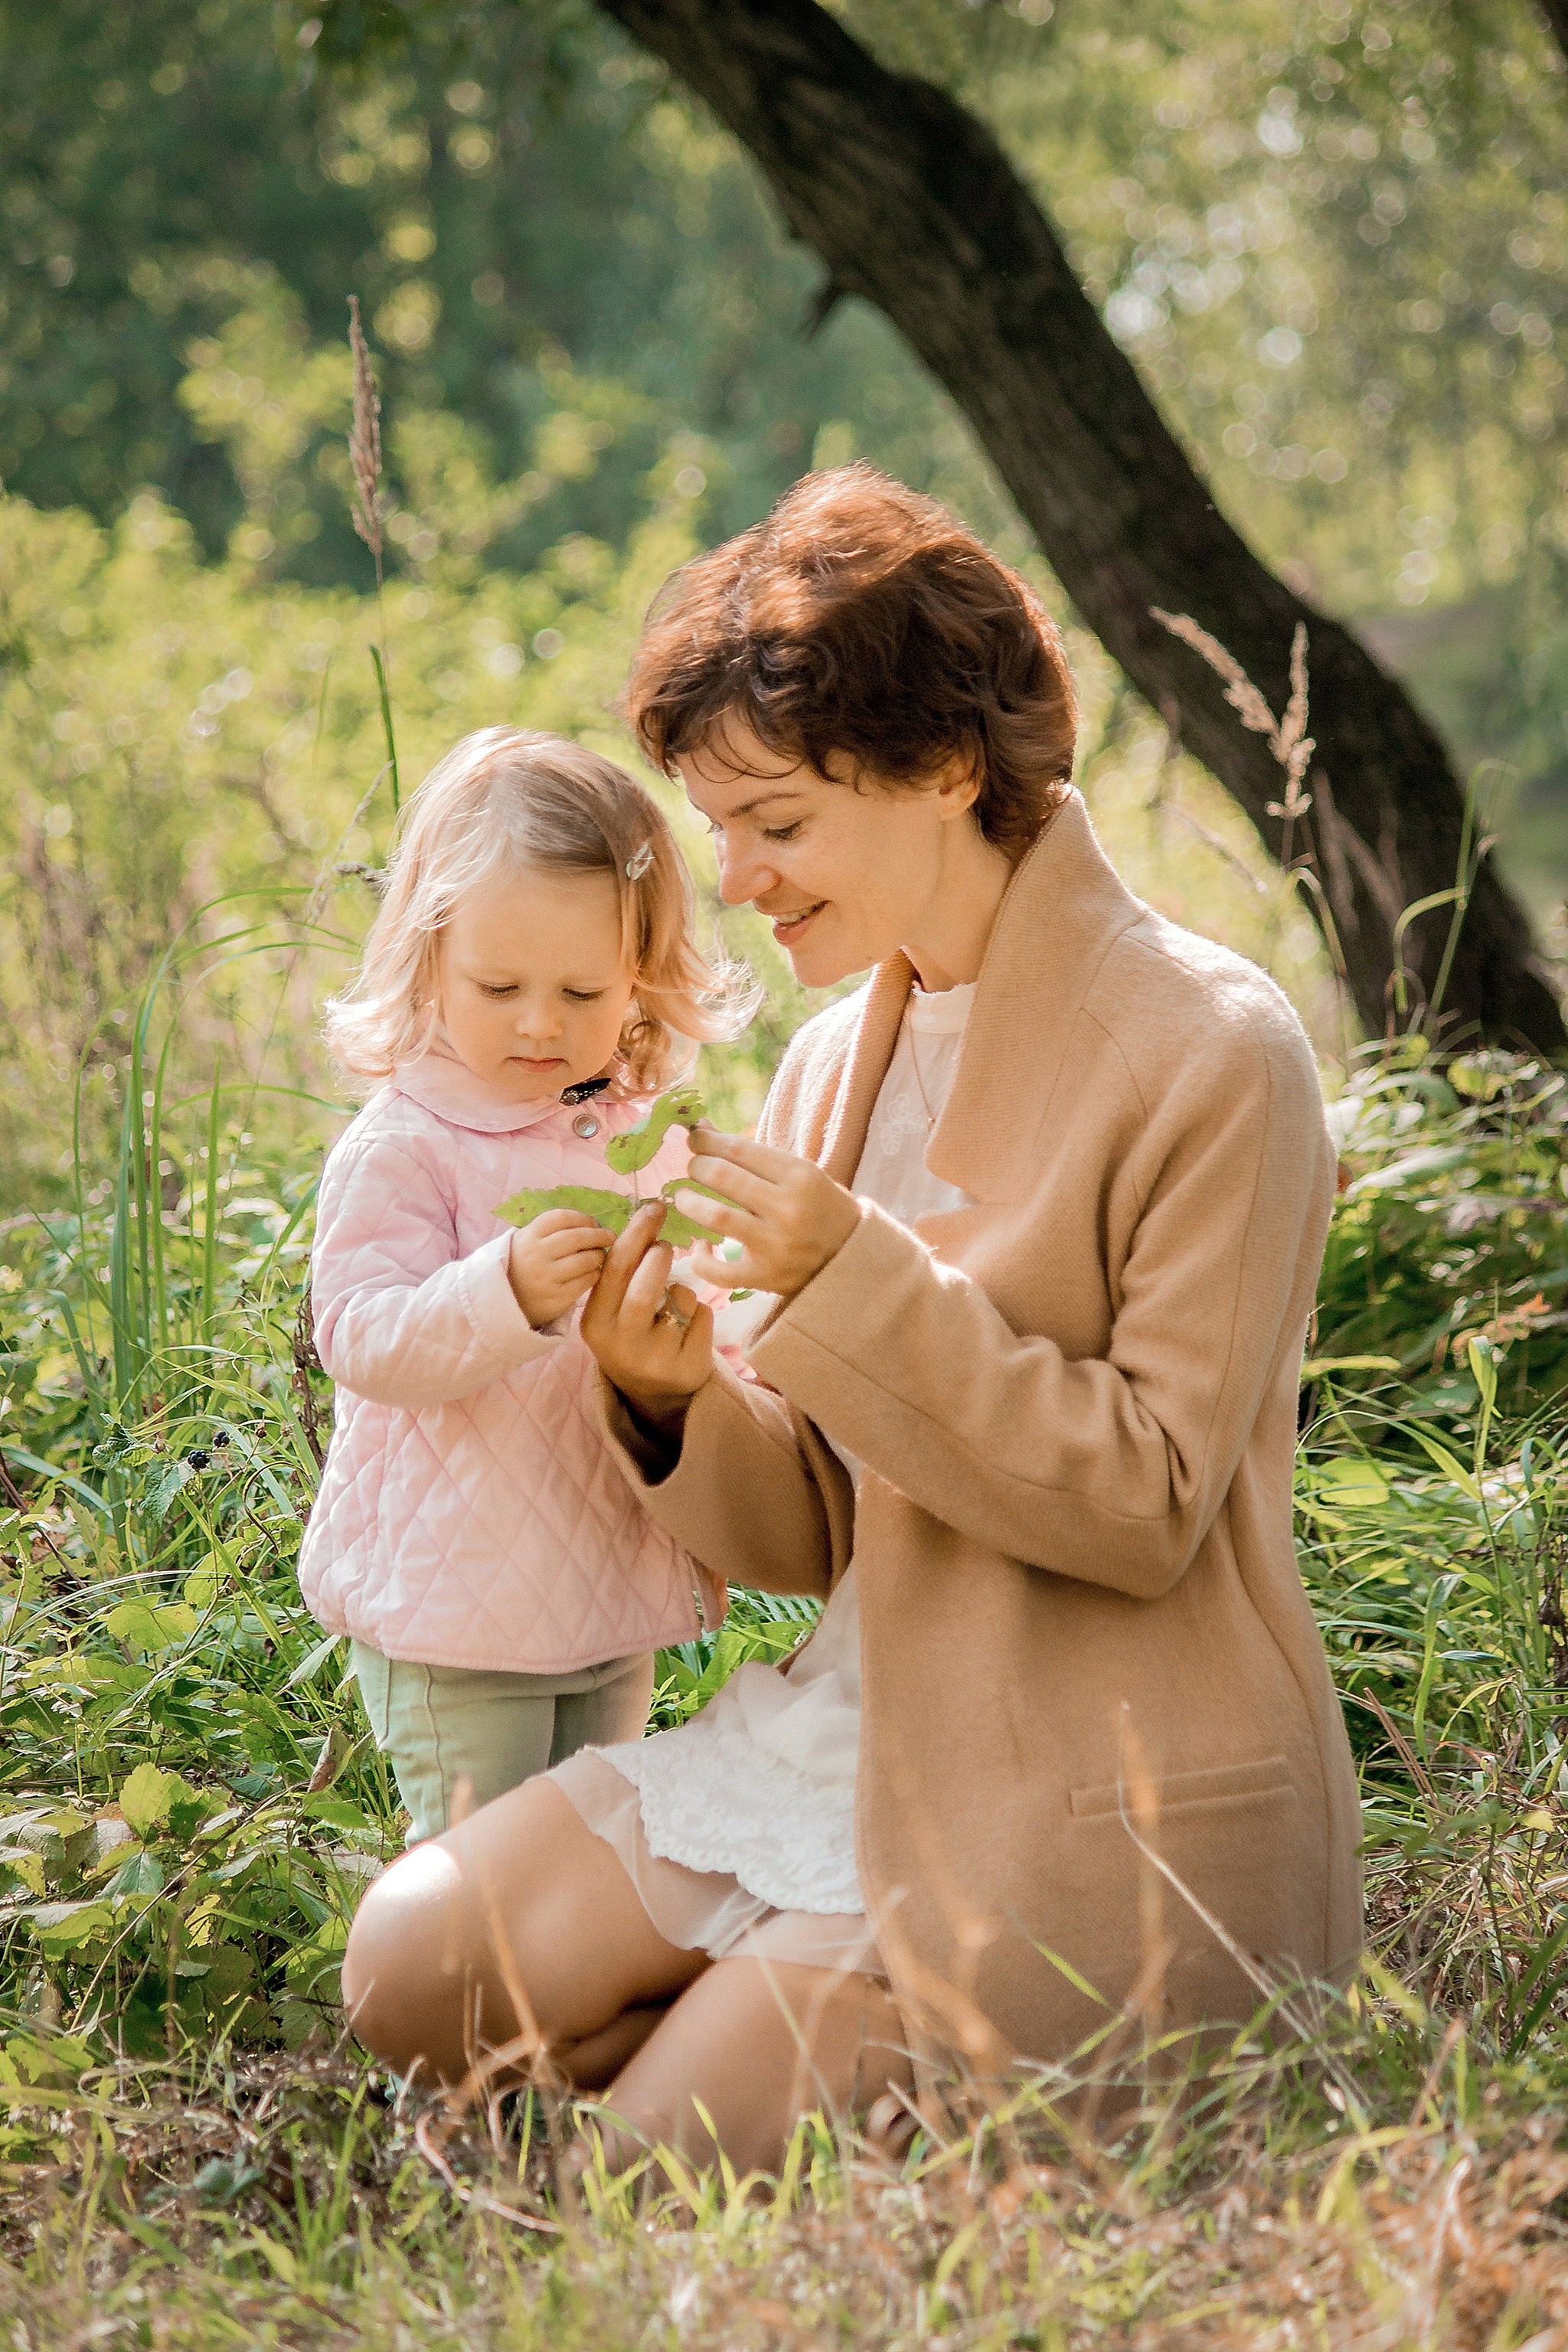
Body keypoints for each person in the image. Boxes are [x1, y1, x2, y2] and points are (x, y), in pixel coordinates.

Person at [340, 467, 1362, 2172]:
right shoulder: (835, 1057)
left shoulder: (1214, 1051)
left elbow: (1143, 1504)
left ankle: (779, 2055)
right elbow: (822, 1531)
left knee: (646, 2177)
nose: (730, 881)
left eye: (779, 825)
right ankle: (767, 2027)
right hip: (843, 1732)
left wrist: (853, 1288)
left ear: (946, 770)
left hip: (1080, 1776)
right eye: (719, 826)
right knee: (410, 1962)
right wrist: (670, 1403)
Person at [298, 728, 749, 1841]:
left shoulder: (636, 1145)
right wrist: (502, 1290)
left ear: (642, 981)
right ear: (428, 958)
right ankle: (463, 2020)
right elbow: (358, 1334)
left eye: (583, 990)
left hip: (602, 1581)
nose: (542, 1022)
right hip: (454, 1609)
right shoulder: (404, 1145)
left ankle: (568, 2024)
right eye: (499, 986)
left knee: (594, 1858)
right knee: (481, 1878)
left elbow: (710, 1319)